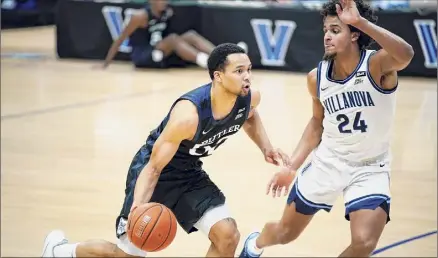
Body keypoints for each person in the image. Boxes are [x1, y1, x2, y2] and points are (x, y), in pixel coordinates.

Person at [41, 43, 289, 258]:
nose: (247, 77)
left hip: (188, 174)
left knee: (227, 236)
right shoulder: (187, 116)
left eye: (248, 70)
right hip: (154, 174)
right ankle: (61, 251)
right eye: (239, 71)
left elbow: (249, 116)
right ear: (218, 76)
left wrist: (266, 147)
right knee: (128, 255)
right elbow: (154, 167)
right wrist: (137, 208)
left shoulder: (249, 97)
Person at [239, 0, 414, 257]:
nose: (327, 37)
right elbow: (316, 124)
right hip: (328, 163)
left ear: (354, 34)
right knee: (285, 233)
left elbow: (406, 54)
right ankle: (254, 245)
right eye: (326, 30)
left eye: (335, 30)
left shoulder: (377, 66)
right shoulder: (317, 78)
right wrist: (291, 168)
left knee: (364, 243)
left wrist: (361, 22)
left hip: (370, 167)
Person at [98, 0, 215, 69]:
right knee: (173, 39)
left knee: (190, 35)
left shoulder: (167, 12)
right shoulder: (140, 16)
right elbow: (120, 39)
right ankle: (210, 63)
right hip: (143, 56)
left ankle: (222, 55)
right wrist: (106, 63)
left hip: (159, 51)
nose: (165, 2)